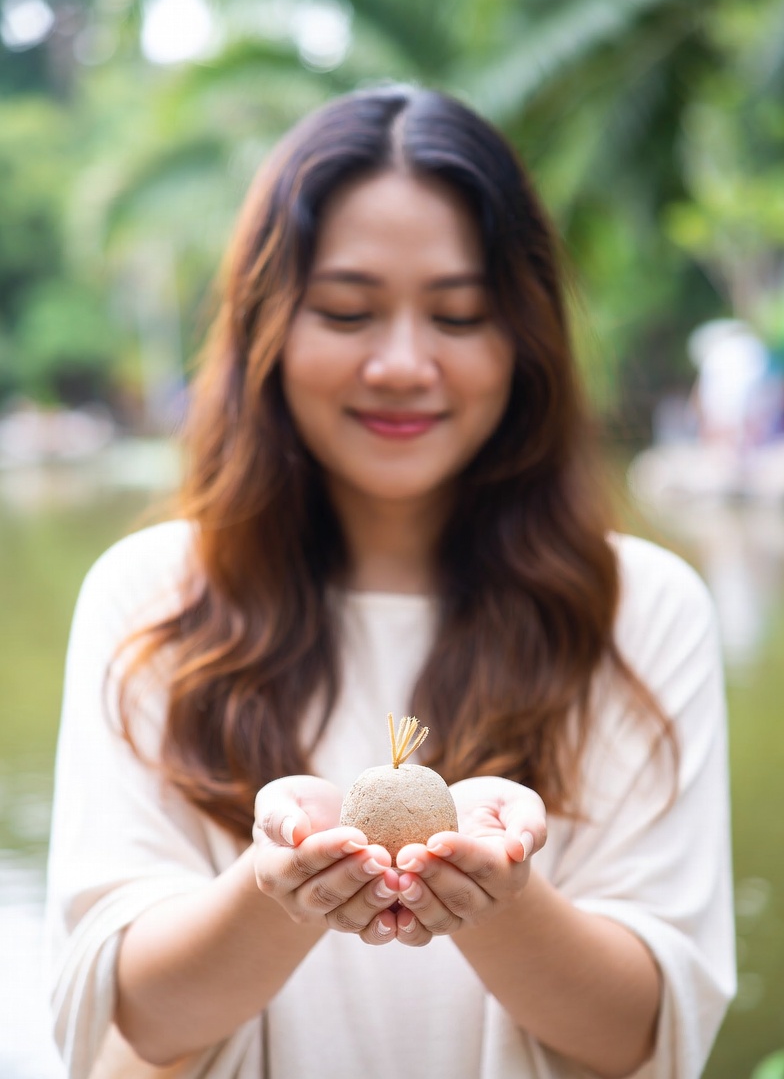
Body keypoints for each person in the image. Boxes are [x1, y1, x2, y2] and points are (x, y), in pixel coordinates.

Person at [45, 85, 735, 1079]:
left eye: (457, 314)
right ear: (265, 329)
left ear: (523, 338)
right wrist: (276, 888)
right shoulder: (151, 601)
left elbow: (643, 1029)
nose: (404, 363)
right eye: (347, 310)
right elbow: (137, 1016)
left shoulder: (639, 609)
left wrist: (501, 899)